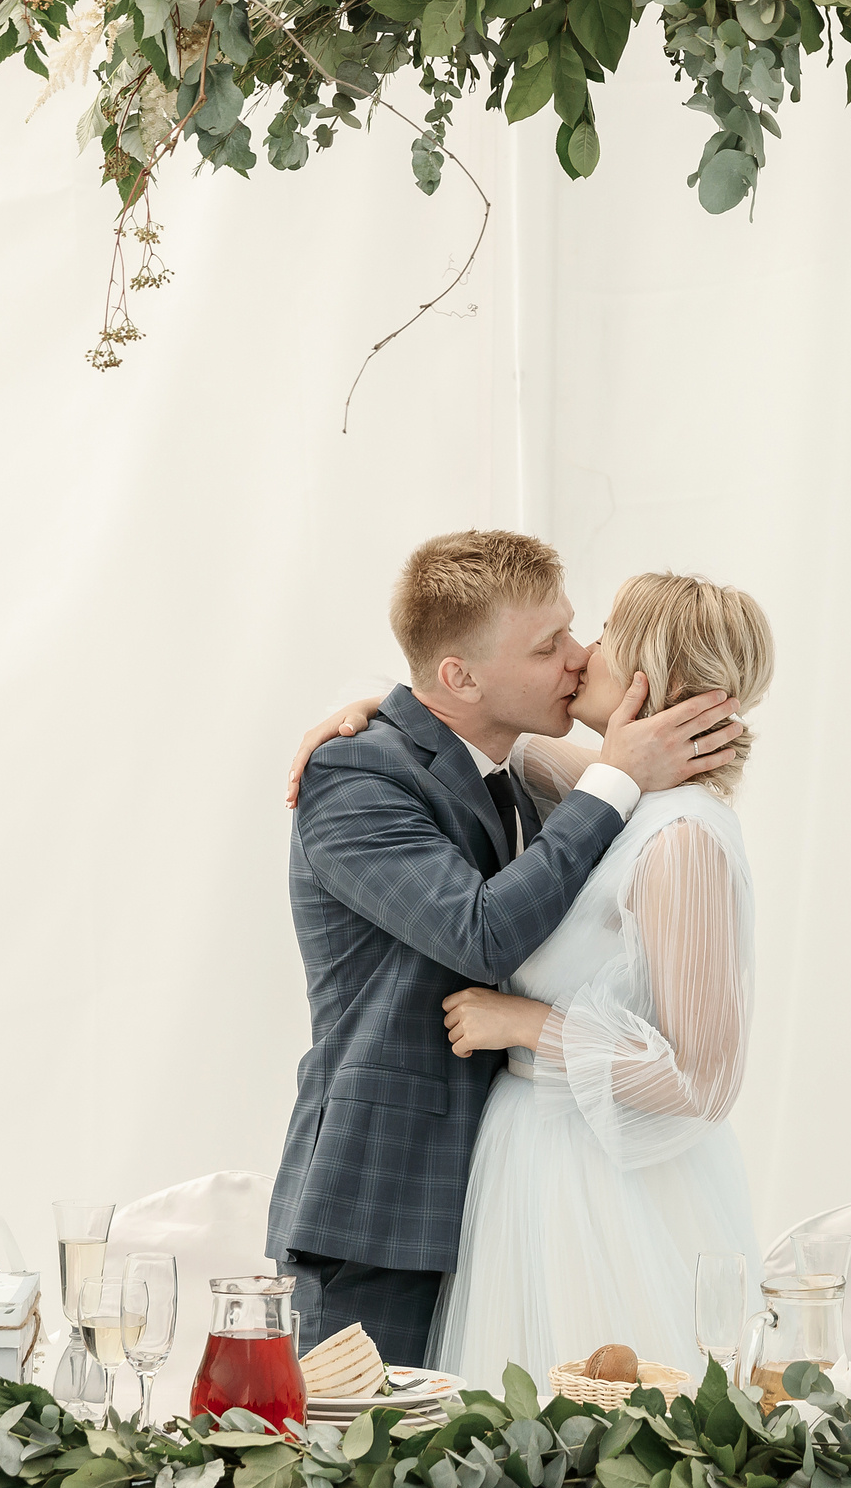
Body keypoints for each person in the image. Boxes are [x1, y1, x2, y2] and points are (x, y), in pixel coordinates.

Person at [286, 571, 773, 1390]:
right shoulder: (599, 787)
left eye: (603, 635)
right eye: (556, 643)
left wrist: (521, 1023)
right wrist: (363, 705)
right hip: (502, 1177)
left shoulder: (678, 833)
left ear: (661, 679)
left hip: (596, 1189)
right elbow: (455, 729)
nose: (582, 656)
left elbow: (701, 1077)